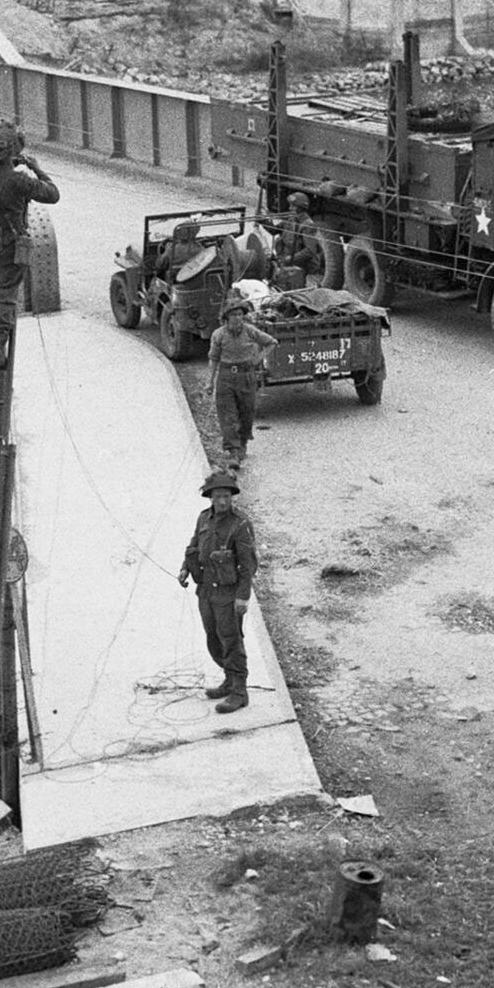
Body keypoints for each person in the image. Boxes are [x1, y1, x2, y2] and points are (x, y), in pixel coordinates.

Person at [0, 120, 59, 371]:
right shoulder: (19, 181)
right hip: (10, 244)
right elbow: (53, 194)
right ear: (13, 150)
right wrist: (36, 169)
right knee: (5, 296)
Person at [178, 467, 258, 714]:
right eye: (218, 496)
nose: (223, 501)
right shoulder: (203, 518)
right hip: (206, 591)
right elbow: (194, 545)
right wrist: (184, 569)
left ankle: (239, 691)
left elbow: (248, 564)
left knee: (231, 640)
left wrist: (243, 596)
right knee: (213, 638)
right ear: (210, 497)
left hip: (228, 593)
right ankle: (228, 680)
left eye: (227, 496)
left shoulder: (240, 523)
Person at [206, 295, 275, 471]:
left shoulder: (250, 331)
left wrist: (257, 359)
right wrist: (210, 382)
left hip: (247, 377)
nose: (238, 318)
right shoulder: (218, 335)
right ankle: (233, 452)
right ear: (226, 317)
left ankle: (243, 442)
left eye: (240, 314)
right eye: (234, 314)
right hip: (226, 377)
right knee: (228, 416)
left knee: (247, 412)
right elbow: (213, 359)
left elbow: (271, 343)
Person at [271, 191, 324, 286]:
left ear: (301, 208)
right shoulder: (290, 220)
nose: (290, 208)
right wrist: (264, 222)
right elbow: (274, 231)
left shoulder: (308, 225)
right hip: (291, 267)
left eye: (293, 206)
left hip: (306, 271)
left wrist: (290, 259)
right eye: (290, 205)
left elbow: (310, 250)